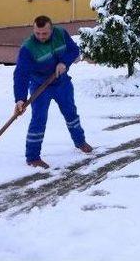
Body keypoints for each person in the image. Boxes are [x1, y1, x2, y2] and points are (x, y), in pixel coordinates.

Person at [13, 15, 93, 169]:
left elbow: (74, 50)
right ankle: (32, 157)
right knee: (39, 119)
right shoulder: (28, 48)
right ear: (34, 30)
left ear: (52, 29)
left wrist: (64, 63)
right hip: (40, 87)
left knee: (71, 113)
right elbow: (20, 74)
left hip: (62, 83)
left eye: (44, 33)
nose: (41, 37)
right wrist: (20, 99)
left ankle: (80, 141)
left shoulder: (61, 34)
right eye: (37, 33)